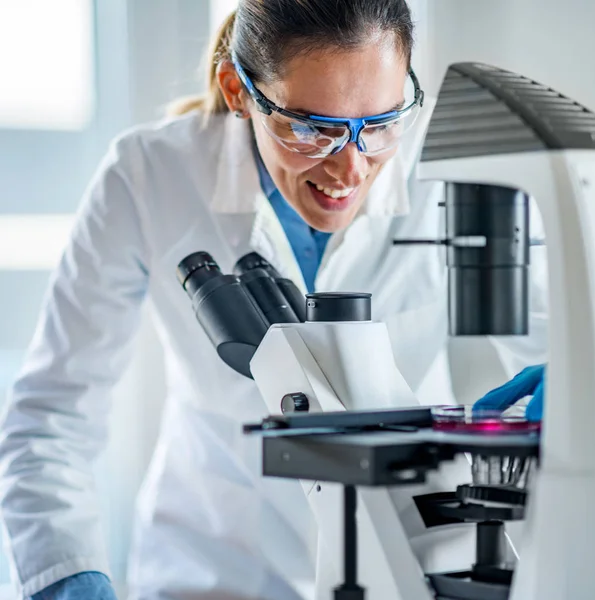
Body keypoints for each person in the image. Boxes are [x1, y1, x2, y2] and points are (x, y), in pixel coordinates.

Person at [0, 1, 548, 599]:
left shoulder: (461, 166)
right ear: (237, 91)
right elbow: (53, 415)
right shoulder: (150, 173)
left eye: (383, 121)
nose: (350, 167)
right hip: (218, 569)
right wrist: (69, 582)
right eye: (312, 128)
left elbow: (560, 344)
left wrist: (576, 391)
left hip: (411, 557)